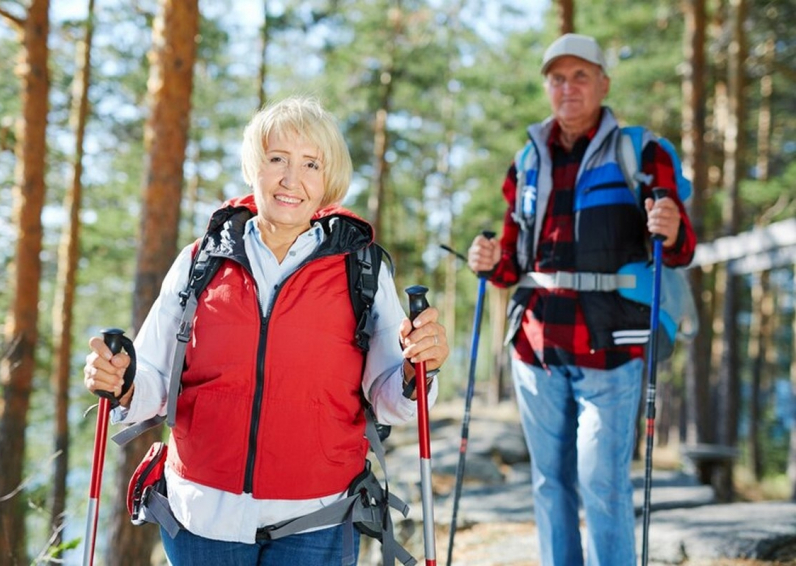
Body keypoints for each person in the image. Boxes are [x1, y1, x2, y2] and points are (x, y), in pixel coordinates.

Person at [83, 96, 450, 566]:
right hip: (202, 518)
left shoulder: (361, 268)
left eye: (311, 164)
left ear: (327, 180)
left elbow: (390, 397)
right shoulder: (201, 260)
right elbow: (152, 378)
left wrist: (418, 369)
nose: (291, 179)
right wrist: (124, 380)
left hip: (317, 517)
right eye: (277, 158)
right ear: (255, 167)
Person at [467, 34, 696, 565]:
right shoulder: (526, 160)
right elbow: (512, 266)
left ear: (603, 84)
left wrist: (672, 223)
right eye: (557, 78)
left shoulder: (643, 151)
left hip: (611, 344)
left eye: (580, 76)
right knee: (550, 482)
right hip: (535, 346)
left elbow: (679, 249)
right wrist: (487, 259)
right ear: (547, 86)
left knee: (602, 480)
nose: (567, 88)